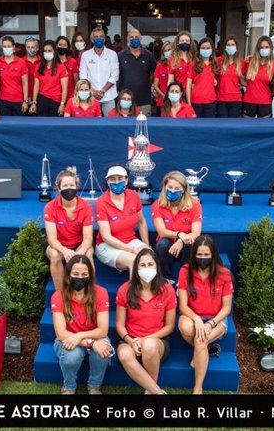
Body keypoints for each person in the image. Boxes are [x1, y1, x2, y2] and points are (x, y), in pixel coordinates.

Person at [177, 235, 233, 395]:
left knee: (200, 340)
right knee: (187, 329)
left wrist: (211, 323)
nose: (202, 258)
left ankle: (197, 388)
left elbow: (227, 308)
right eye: (199, 255)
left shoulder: (224, 274)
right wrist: (196, 320)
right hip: (192, 316)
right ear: (194, 254)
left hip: (216, 319)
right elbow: (183, 305)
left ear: (213, 255)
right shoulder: (185, 271)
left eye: (206, 255)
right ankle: (203, 350)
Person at [115, 248, 176, 395]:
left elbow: (170, 326)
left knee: (149, 345)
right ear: (136, 268)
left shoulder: (167, 290)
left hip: (157, 341)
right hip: (130, 339)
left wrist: (145, 339)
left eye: (150, 264)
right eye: (142, 265)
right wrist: (131, 341)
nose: (147, 268)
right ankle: (157, 393)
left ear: (157, 266)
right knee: (124, 355)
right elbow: (119, 325)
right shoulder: (125, 290)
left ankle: (149, 393)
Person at [51, 255, 112, 395]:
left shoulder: (101, 293)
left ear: (90, 275)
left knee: (103, 351)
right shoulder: (58, 295)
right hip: (67, 340)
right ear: (68, 274)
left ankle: (95, 386)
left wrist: (81, 337)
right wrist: (90, 342)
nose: (80, 277)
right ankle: (69, 387)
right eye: (76, 274)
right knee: (72, 356)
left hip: (88, 336)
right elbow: (61, 333)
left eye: (84, 274)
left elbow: (103, 330)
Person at [44, 167, 95, 290]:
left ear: (77, 186)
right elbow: (51, 239)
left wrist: (79, 254)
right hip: (59, 246)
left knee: (88, 254)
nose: (68, 188)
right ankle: (60, 294)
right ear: (59, 188)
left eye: (71, 185)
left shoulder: (86, 206)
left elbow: (88, 239)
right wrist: (64, 250)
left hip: (79, 245)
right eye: (65, 185)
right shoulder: (50, 207)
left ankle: (89, 291)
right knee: (55, 255)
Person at [95, 164, 150, 273]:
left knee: (150, 257)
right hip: (106, 246)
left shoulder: (133, 196)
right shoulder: (101, 202)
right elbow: (106, 237)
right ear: (107, 181)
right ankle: (131, 290)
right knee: (135, 261)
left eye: (120, 179)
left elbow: (142, 222)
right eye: (112, 179)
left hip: (131, 241)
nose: (116, 182)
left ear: (126, 180)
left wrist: (147, 245)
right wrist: (132, 250)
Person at [152, 171, 202, 282]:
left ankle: (185, 280)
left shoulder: (195, 205)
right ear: (165, 187)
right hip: (167, 248)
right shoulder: (157, 205)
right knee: (162, 244)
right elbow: (162, 232)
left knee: (190, 243)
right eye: (170, 187)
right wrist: (180, 234)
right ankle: (166, 280)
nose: (173, 191)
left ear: (184, 189)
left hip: (185, 246)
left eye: (177, 188)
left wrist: (180, 241)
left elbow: (196, 233)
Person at [79, 27, 119, 117]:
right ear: (92, 40)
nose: (99, 39)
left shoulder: (112, 54)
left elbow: (115, 76)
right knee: (90, 124)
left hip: (109, 96)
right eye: (96, 37)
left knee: (111, 124)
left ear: (104, 38)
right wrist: (93, 92)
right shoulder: (85, 55)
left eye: (101, 36)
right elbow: (83, 77)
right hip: (91, 97)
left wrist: (102, 91)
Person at [118, 29, 157, 116]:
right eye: (131, 37)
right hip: (125, 102)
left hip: (144, 101)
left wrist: (152, 84)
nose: (134, 39)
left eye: (136, 37)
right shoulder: (120, 56)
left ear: (141, 38)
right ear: (127, 38)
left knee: (143, 127)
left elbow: (155, 74)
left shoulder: (149, 56)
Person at [29, 40, 69, 116]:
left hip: (56, 101)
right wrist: (34, 102)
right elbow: (36, 86)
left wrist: (62, 104)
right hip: (42, 100)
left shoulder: (61, 67)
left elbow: (64, 88)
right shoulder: (38, 67)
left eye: (50, 50)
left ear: (54, 52)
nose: (47, 53)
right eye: (45, 51)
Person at [242, 36, 274, 118]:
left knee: (264, 129)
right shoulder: (249, 61)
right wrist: (248, 84)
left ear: (270, 48)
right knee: (247, 129)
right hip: (249, 100)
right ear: (258, 49)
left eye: (266, 47)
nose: (264, 49)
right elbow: (240, 76)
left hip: (265, 101)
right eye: (261, 47)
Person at [0, 35, 29, 116]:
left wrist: (25, 101)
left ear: (13, 47)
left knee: (19, 126)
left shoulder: (21, 62)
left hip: (18, 101)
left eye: (9, 46)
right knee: (4, 126)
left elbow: (25, 83)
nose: (6, 48)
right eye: (4, 46)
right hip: (3, 101)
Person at [187, 37, 218, 118]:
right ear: (199, 50)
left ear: (212, 50)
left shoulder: (215, 64)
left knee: (209, 128)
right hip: (196, 102)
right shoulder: (193, 64)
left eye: (208, 48)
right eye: (203, 48)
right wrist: (189, 104)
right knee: (195, 127)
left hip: (211, 102)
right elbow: (188, 86)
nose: (205, 49)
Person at [216, 36, 244, 118]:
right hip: (221, 99)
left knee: (234, 126)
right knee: (222, 125)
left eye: (232, 45)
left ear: (236, 47)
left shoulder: (241, 62)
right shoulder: (218, 61)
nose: (230, 47)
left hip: (236, 100)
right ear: (225, 47)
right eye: (228, 45)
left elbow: (243, 80)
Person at [167, 31, 196, 102]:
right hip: (179, 95)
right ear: (178, 42)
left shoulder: (194, 59)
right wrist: (169, 96)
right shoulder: (173, 60)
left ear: (190, 43)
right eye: (182, 41)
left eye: (187, 41)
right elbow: (170, 80)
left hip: (194, 94)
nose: (184, 42)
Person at [152, 42, 172, 117]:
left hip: (175, 101)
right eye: (165, 51)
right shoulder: (159, 66)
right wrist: (164, 96)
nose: (167, 52)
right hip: (162, 101)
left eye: (169, 49)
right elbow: (155, 85)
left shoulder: (177, 64)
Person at [56, 36, 79, 102]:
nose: (62, 47)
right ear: (56, 46)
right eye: (60, 45)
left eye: (64, 45)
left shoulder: (72, 61)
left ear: (68, 47)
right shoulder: (52, 62)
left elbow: (76, 81)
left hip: (70, 97)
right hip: (56, 97)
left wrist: (76, 95)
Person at [23, 36, 41, 113]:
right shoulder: (21, 62)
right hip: (24, 98)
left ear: (37, 48)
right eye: (28, 47)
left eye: (33, 47)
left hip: (39, 97)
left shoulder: (42, 62)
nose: (30, 49)